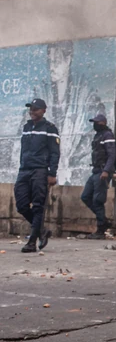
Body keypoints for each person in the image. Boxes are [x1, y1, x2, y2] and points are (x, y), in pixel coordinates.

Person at [15, 98, 59, 252]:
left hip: (40, 170)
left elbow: (55, 152)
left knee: (38, 206)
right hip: (24, 169)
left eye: (35, 109)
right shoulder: (26, 127)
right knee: (21, 205)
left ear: (43, 110)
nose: (32, 112)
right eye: (31, 109)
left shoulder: (50, 128)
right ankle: (42, 231)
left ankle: (32, 242)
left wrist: (52, 173)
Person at [81, 113, 116, 240]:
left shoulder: (107, 135)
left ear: (103, 123)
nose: (95, 125)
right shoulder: (98, 135)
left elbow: (112, 155)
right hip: (96, 171)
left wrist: (106, 171)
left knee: (98, 200)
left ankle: (101, 229)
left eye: (97, 122)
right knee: (85, 196)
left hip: (102, 172)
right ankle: (104, 220)